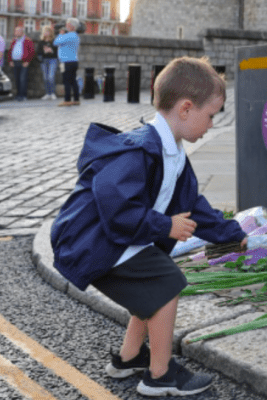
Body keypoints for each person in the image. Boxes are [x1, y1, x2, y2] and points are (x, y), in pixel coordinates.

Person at [50, 57, 246, 396]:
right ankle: (160, 375)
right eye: (212, 115)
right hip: (92, 242)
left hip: (115, 239)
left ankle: (129, 358)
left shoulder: (174, 152)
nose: (212, 124)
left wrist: (234, 234)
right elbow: (117, 208)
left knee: (153, 284)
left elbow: (193, 206)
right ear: (186, 108)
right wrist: (164, 225)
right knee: (166, 283)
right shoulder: (137, 149)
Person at [53, 18, 81, 106]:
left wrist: (60, 34)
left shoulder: (68, 35)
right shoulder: (76, 36)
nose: (66, 26)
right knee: (73, 81)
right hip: (74, 61)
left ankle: (67, 100)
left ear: (72, 26)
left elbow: (55, 42)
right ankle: (76, 99)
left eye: (68, 25)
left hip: (66, 62)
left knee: (67, 82)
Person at [8, 26, 35, 101]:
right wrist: (10, 60)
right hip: (15, 61)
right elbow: (10, 51)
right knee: (16, 79)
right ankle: (18, 94)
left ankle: (23, 95)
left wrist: (27, 61)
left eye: (17, 31)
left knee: (23, 79)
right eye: (15, 31)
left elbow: (32, 52)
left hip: (23, 62)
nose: (15, 33)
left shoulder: (28, 40)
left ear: (21, 32)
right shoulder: (14, 40)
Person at [36, 25, 58, 100]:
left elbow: (57, 52)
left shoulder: (54, 41)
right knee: (45, 78)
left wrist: (51, 50)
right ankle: (48, 93)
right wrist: (44, 51)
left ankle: (52, 93)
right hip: (44, 61)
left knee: (51, 77)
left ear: (50, 32)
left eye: (47, 31)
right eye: (44, 31)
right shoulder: (41, 42)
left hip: (53, 60)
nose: (45, 33)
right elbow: (38, 52)